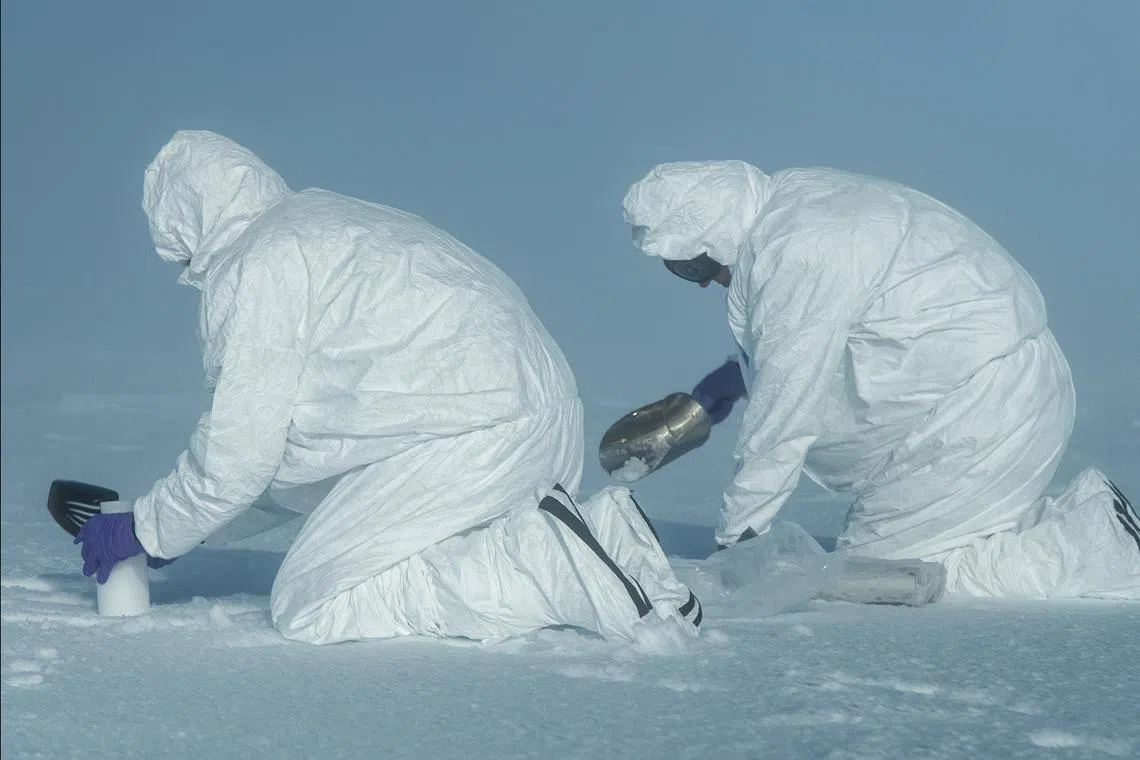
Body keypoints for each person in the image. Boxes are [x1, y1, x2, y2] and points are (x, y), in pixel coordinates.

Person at [73, 130, 702, 644]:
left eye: (181, 254)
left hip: (462, 436)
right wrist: (177, 531)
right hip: (533, 419)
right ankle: (600, 534)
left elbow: (242, 454)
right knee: (433, 551)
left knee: (313, 601)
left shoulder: (258, 260)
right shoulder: (332, 222)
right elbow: (294, 469)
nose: (188, 271)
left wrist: (147, 531)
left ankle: (551, 559)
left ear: (190, 225)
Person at [621, 160, 1139, 599]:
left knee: (895, 576)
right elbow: (850, 330)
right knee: (903, 555)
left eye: (694, 265)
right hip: (994, 395)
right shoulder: (798, 204)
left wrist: (740, 538)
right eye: (681, 270)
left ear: (715, 232)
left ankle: (1099, 548)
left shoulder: (796, 250)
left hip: (979, 410)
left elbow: (787, 411)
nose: (702, 282)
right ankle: (1090, 524)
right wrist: (737, 378)